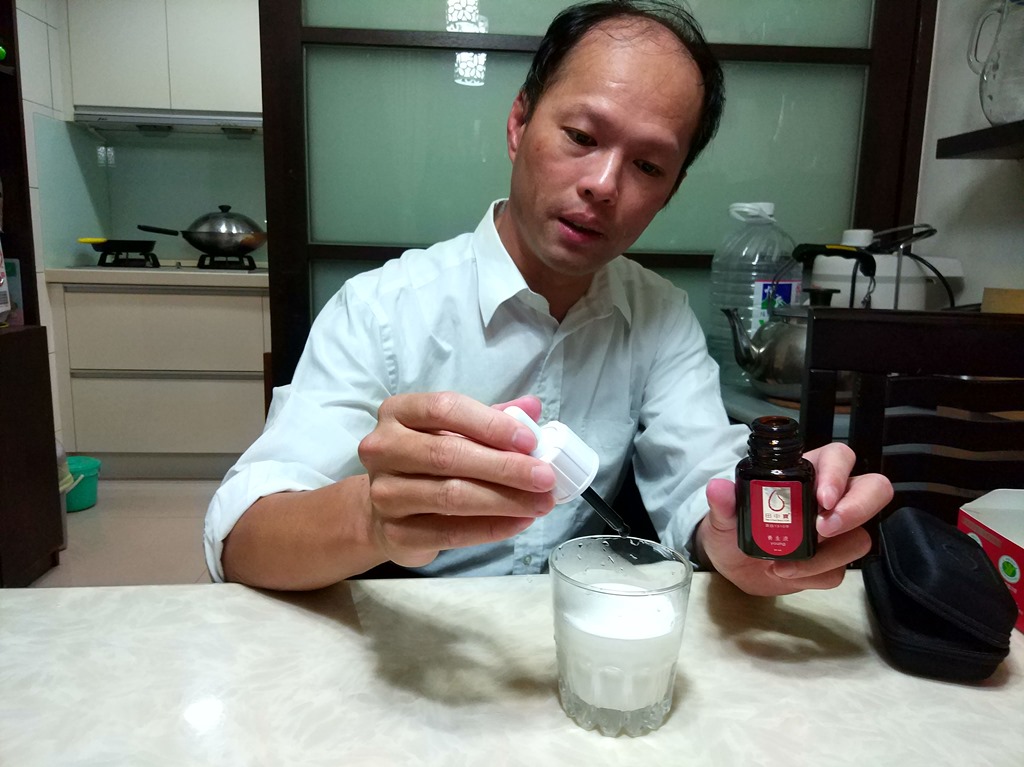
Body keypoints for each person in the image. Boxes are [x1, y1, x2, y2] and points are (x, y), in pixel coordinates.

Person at [204, 0, 892, 594]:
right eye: (581, 136)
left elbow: (701, 491)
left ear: (669, 192)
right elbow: (243, 539)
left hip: (581, 633)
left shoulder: (659, 317)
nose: (604, 184)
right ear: (519, 123)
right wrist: (373, 519)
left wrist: (745, 538)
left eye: (648, 165)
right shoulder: (381, 310)